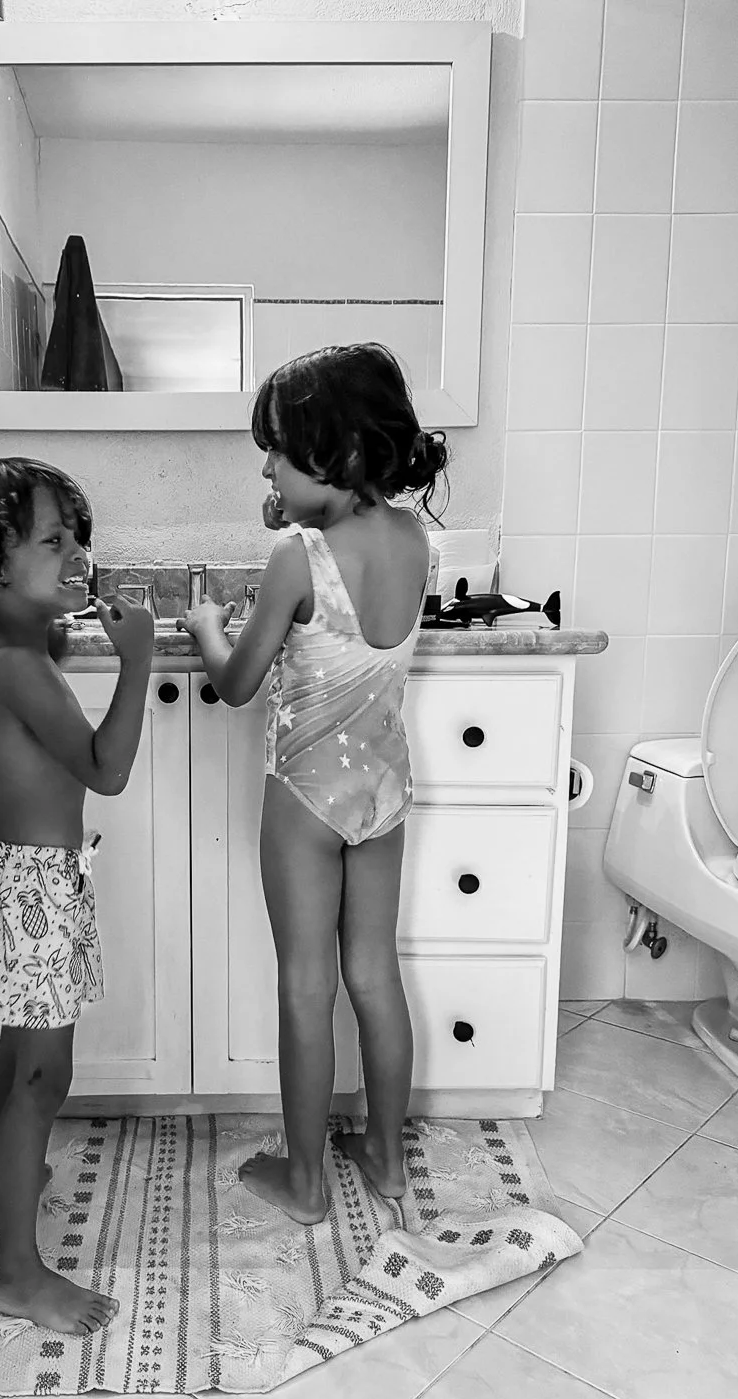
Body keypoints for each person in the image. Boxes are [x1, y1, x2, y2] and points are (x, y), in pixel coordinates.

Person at [178, 344, 447, 1226]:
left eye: (280, 454)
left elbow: (236, 683)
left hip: (305, 798)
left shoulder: (297, 556)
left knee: (305, 983)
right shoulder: (416, 539)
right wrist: (300, 506)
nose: (265, 468)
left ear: (342, 454)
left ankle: (303, 1183)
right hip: (384, 789)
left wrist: (206, 624)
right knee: (374, 973)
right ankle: (386, 1160)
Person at [0, 458, 154, 1332]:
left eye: (78, 537)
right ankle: (16, 1274)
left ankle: (15, 1173)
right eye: (54, 541)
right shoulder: (18, 665)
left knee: (19, 1060)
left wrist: (60, 606)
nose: (79, 555)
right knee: (41, 1074)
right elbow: (106, 770)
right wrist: (136, 662)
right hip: (31, 894)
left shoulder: (11, 650)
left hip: (23, 882)